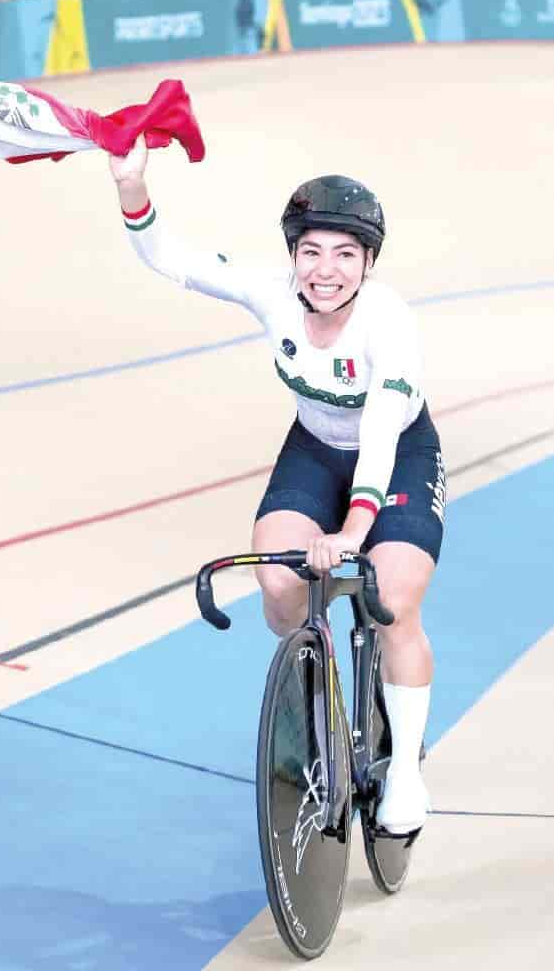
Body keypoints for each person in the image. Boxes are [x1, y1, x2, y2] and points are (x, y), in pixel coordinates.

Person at [107, 141, 441, 836]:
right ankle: (311, 685)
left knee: (393, 601)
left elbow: (379, 435)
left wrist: (352, 535)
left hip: (397, 452)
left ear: (368, 264)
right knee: (280, 583)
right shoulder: (271, 293)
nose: (325, 270)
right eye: (311, 251)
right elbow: (173, 259)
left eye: (345, 254)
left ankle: (405, 769)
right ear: (292, 255)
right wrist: (131, 186)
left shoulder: (389, 323)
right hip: (315, 450)